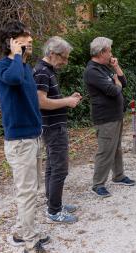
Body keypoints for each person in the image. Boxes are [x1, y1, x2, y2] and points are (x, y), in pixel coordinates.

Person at [0, 20, 57, 253]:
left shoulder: (23, 66)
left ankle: (21, 232)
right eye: (24, 37)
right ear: (11, 42)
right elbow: (14, 79)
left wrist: (19, 57)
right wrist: (15, 55)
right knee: (27, 193)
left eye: (29, 37)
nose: (30, 40)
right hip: (20, 141)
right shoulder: (3, 66)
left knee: (32, 189)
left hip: (32, 136)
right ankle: (30, 245)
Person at [34, 36, 82, 224]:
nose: (65, 61)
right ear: (52, 53)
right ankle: (54, 211)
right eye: (64, 57)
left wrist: (68, 99)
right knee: (59, 169)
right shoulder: (42, 72)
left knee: (53, 167)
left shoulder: (47, 70)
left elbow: (49, 99)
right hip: (52, 127)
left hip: (52, 125)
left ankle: (53, 202)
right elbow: (40, 101)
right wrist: (67, 102)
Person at [84, 37, 136, 197]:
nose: (112, 54)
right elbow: (114, 90)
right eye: (110, 51)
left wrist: (116, 67)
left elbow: (123, 83)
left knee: (116, 147)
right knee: (106, 150)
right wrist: (117, 85)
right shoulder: (92, 70)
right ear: (101, 52)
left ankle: (118, 175)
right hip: (105, 117)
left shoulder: (105, 67)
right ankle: (98, 184)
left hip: (116, 114)